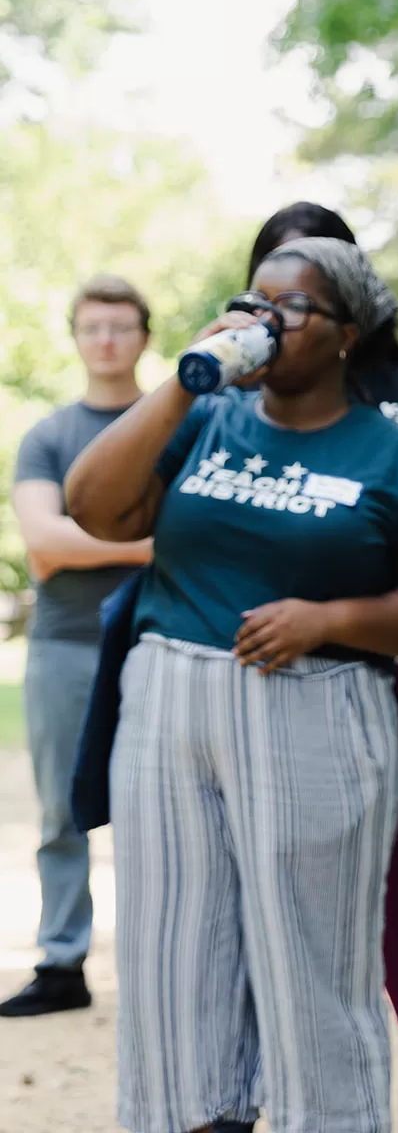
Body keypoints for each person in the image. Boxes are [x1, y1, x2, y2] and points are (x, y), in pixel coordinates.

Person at [65, 237, 398, 1133]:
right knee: (173, 954)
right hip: (170, 708)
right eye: (255, 301)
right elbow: (90, 504)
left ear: (346, 334)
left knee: (311, 963)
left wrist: (330, 621)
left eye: (291, 309)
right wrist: (186, 379)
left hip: (315, 705)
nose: (266, 321)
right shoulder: (205, 422)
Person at [246, 202, 398, 1133]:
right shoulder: (224, 398)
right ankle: (260, 1092)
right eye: (269, 277)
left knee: (390, 882)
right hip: (250, 676)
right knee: (257, 886)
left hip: (379, 674)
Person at [0, 275, 155, 1019]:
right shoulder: (49, 436)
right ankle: (62, 962)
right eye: (92, 327)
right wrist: (154, 546)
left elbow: (64, 543)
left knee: (157, 810)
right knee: (62, 809)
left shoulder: (172, 424)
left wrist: (77, 543)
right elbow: (42, 542)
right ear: (74, 336)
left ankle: (157, 962)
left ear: (143, 337)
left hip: (153, 641)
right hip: (63, 646)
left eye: (120, 327)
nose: (105, 341)